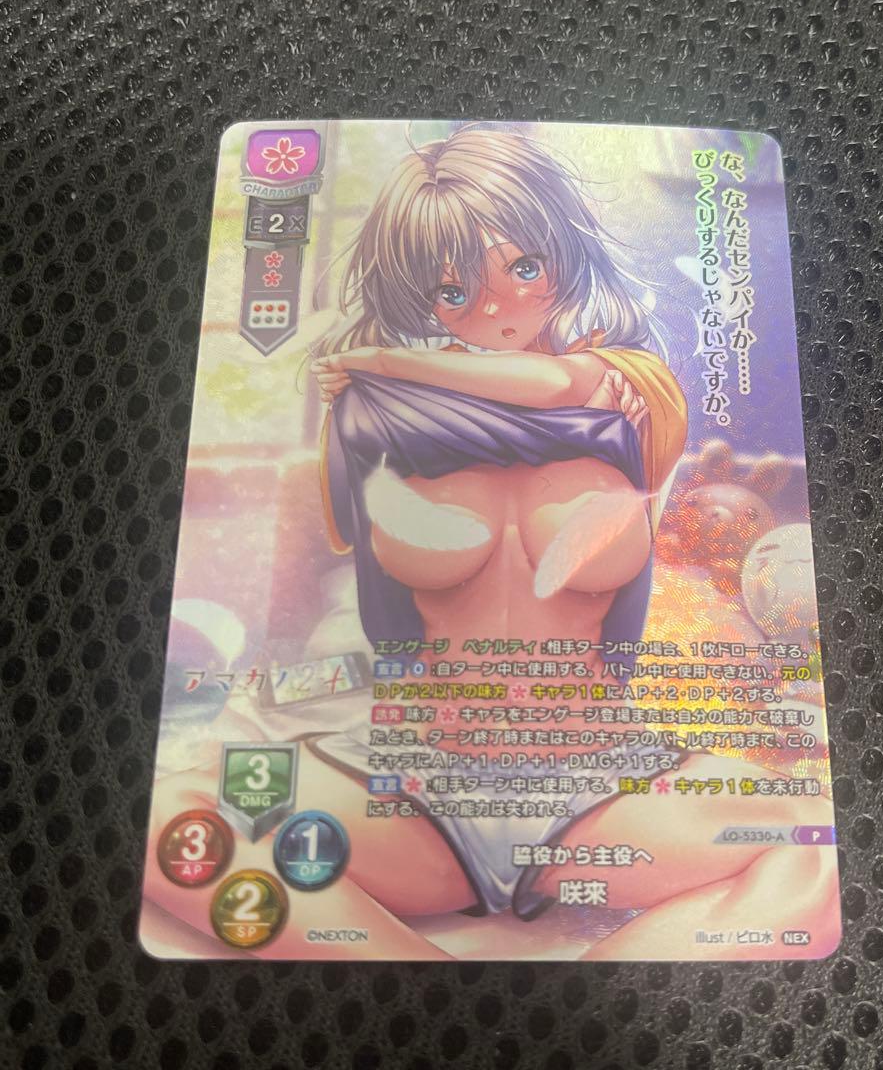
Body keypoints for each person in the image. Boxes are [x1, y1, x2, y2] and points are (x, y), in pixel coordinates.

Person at [140, 127, 838, 960]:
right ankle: (424, 992)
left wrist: (382, 362)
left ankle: (588, 1010)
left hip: (599, 783)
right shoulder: (379, 422)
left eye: (523, 268)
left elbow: (549, 382)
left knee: (817, 849)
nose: (496, 308)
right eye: (453, 289)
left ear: (562, 255)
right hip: (415, 779)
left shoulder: (630, 392)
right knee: (174, 817)